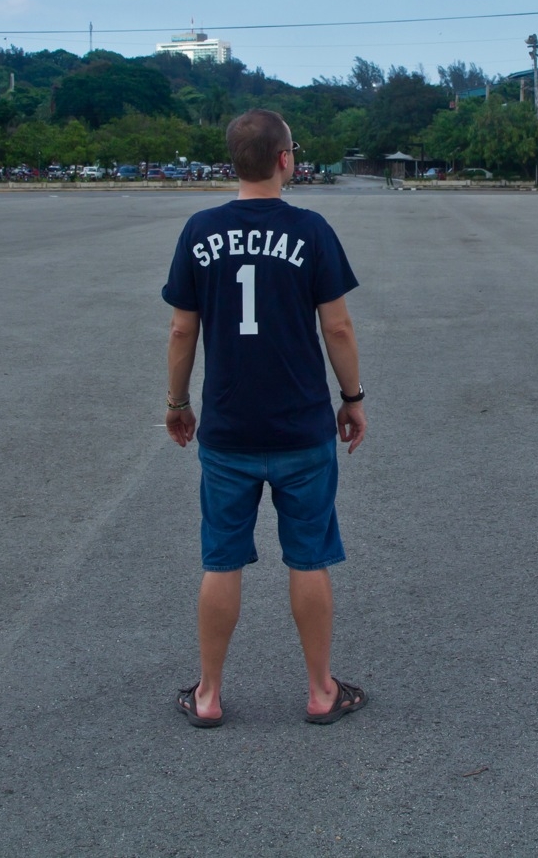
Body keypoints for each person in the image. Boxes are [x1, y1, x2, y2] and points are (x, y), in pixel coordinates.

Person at [162, 108, 368, 729]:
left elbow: (181, 329)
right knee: (308, 557)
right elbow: (336, 324)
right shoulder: (310, 230)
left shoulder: (201, 230)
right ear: (285, 159)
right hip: (301, 426)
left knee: (221, 559)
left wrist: (177, 403)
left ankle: (209, 695)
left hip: (228, 428)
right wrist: (352, 397)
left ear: (234, 162)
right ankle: (319, 691)